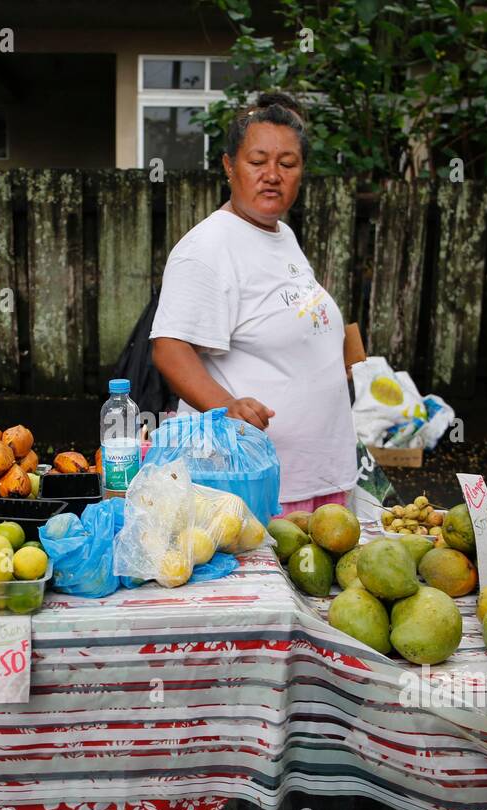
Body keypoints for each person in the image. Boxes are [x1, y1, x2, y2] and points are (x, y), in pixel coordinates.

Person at [150, 92, 358, 516]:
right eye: (257, 161)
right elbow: (170, 348)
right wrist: (227, 406)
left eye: (287, 164)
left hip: (320, 474)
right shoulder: (207, 248)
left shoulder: (281, 234)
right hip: (259, 484)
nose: (272, 175)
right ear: (229, 166)